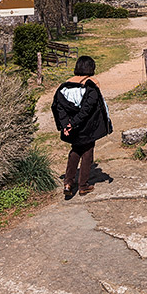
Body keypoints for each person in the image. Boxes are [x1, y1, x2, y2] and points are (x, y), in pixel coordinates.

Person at [51, 55, 112, 199]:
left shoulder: (64, 87)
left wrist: (66, 124)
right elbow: (87, 110)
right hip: (86, 127)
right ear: (91, 68)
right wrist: (73, 123)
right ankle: (83, 185)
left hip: (72, 128)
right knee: (87, 153)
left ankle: (68, 183)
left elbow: (59, 107)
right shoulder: (90, 87)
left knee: (75, 150)